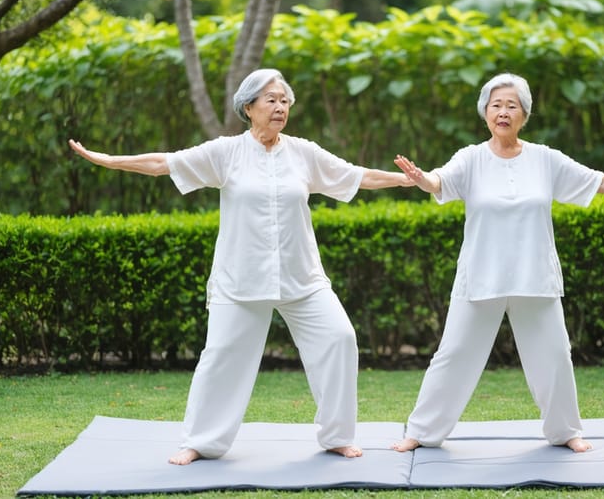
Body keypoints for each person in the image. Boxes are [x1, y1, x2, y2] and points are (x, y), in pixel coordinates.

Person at [69, 68, 412, 465]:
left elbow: (356, 176)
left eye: (285, 100)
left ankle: (336, 435)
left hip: (303, 279)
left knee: (340, 338)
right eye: (271, 100)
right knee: (221, 356)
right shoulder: (225, 152)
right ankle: (200, 442)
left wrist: (404, 181)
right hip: (240, 280)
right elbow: (165, 163)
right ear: (248, 108)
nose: (280, 107)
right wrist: (109, 160)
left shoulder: (304, 153)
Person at [391, 73, 604, 454]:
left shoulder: (545, 159)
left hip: (535, 276)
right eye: (496, 105)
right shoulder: (470, 158)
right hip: (480, 277)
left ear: (524, 114)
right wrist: (423, 179)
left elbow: (599, 181)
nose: (503, 112)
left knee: (554, 356)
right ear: (484, 112)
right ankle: (420, 432)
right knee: (453, 354)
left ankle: (566, 431)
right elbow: (439, 181)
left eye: (511, 105)